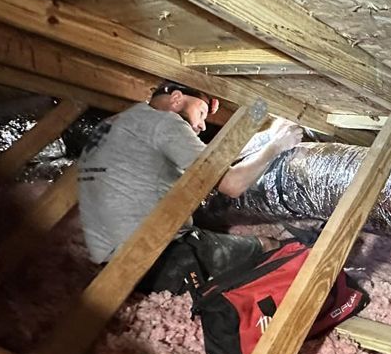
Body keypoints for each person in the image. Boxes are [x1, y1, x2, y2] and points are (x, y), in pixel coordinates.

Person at [77, 81, 303, 287]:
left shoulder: (120, 122)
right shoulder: (164, 122)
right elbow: (231, 184)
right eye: (202, 112)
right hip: (154, 260)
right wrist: (278, 146)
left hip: (110, 264)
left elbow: (211, 160)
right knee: (270, 247)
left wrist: (265, 136)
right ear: (176, 99)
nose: (204, 125)